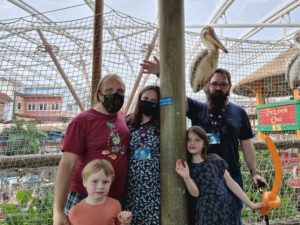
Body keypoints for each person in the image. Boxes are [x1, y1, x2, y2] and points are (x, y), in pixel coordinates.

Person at [141, 58, 265, 209]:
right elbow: (177, 94)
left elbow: (246, 145)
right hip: (200, 177)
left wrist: (254, 172)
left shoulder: (239, 112)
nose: (218, 88)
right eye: (214, 83)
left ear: (229, 86)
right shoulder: (197, 108)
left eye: (223, 84)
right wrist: (162, 74)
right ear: (207, 85)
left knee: (231, 216)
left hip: (231, 175)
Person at [53, 74, 131, 225]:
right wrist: (58, 210)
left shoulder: (121, 117)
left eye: (121, 91)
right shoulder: (82, 121)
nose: (116, 95)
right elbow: (67, 164)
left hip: (114, 196)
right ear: (99, 94)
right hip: (85, 195)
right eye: (110, 90)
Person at [175, 126, 263, 225]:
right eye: (189, 140)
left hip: (227, 208)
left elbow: (231, 183)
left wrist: (251, 204)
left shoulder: (215, 160)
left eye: (197, 140)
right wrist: (186, 177)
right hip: (207, 212)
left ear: (204, 143)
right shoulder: (189, 167)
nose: (192, 143)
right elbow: (196, 193)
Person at [124, 85, 161, 225]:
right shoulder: (129, 122)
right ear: (139, 100)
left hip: (154, 187)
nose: (149, 102)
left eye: (153, 100)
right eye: (145, 98)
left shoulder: (162, 124)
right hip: (131, 186)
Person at [68, 159, 132, 225]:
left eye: (105, 182)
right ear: (85, 182)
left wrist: (125, 223)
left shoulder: (115, 205)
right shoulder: (74, 212)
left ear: (111, 182)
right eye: (94, 181)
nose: (100, 186)